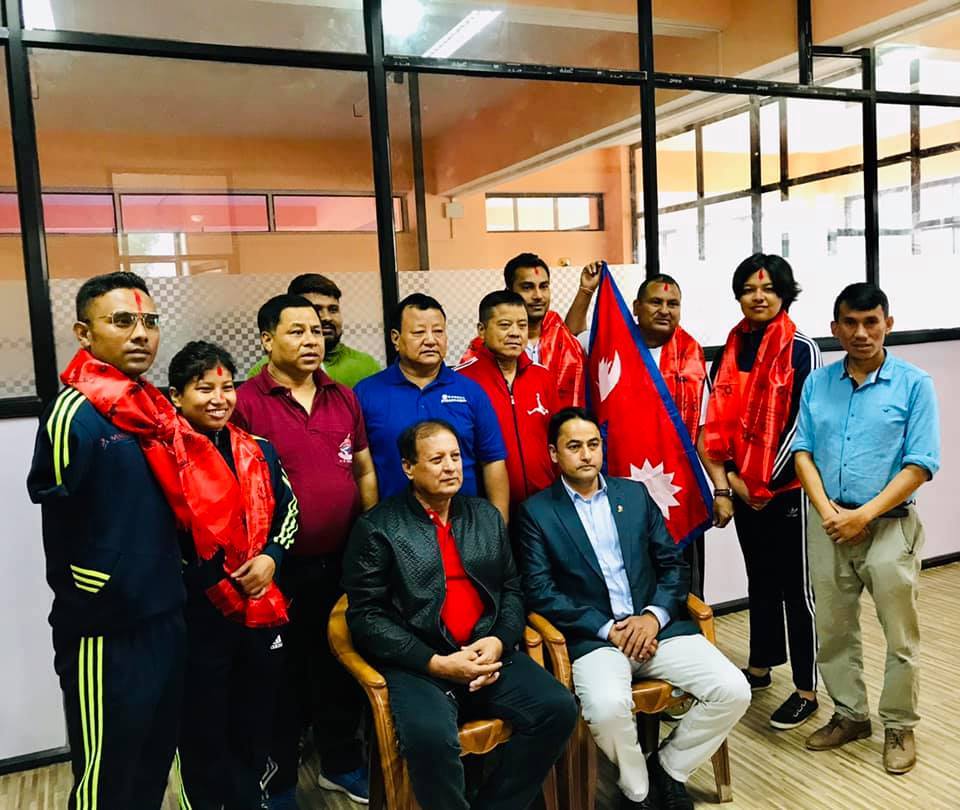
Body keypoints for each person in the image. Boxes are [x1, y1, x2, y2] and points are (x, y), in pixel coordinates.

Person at [516, 408, 750, 810]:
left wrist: (653, 617)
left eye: (593, 444)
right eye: (574, 446)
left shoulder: (634, 495)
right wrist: (608, 628)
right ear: (554, 453)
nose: (586, 454)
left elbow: (673, 565)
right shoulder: (536, 512)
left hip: (656, 630)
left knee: (733, 690)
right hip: (595, 639)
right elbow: (540, 591)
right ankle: (637, 789)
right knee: (607, 707)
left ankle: (669, 767)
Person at [342, 420, 578, 810]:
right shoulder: (378, 528)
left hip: (487, 652)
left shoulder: (485, 516)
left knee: (557, 708)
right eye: (437, 459)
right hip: (422, 664)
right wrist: (434, 662)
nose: (451, 466)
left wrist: (498, 640)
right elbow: (366, 617)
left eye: (455, 456)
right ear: (408, 467)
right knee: (430, 739)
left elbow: (512, 589)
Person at [27, 272, 186, 809]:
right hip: (107, 629)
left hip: (166, 612)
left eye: (149, 321)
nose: (141, 333)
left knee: (153, 759)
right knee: (107, 775)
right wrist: (102, 588)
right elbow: (57, 507)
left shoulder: (153, 408)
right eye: (122, 321)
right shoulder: (74, 411)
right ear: (84, 333)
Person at [234, 294, 378, 807]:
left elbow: (363, 469)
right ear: (267, 340)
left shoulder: (343, 397)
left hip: (340, 561)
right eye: (296, 331)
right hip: (277, 567)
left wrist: (369, 540)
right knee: (279, 679)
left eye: (315, 331)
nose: (311, 340)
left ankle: (341, 765)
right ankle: (279, 783)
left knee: (337, 665)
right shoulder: (245, 402)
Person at [794, 283, 940, 775]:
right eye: (850, 323)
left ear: (887, 325)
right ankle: (850, 715)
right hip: (829, 524)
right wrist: (830, 513)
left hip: (890, 525)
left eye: (871, 322)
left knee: (899, 634)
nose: (861, 333)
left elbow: (920, 464)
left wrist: (864, 515)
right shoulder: (818, 384)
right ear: (835, 329)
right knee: (834, 628)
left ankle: (899, 724)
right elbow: (802, 452)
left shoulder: (914, 384)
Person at [169, 341, 298, 810]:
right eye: (204, 388)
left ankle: (249, 799)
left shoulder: (259, 450)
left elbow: (289, 509)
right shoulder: (164, 456)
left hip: (261, 606)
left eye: (226, 387)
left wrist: (272, 558)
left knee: (254, 722)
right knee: (202, 727)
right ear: (176, 396)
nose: (219, 398)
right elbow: (165, 535)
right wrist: (215, 581)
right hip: (198, 614)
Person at [698, 253, 821, 732]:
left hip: (788, 489)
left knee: (798, 590)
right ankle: (760, 665)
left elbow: (804, 426)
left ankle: (807, 690)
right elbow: (717, 422)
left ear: (784, 294)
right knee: (761, 581)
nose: (759, 296)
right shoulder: (731, 349)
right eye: (749, 289)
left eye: (768, 289)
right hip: (744, 488)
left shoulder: (801, 349)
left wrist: (760, 482)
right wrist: (732, 483)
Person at [567, 265, 717, 598]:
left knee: (685, 586)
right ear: (636, 307)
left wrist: (720, 490)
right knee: (632, 578)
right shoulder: (611, 341)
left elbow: (702, 431)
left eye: (673, 304)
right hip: (622, 484)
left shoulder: (690, 354)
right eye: (655, 302)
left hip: (678, 488)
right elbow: (570, 338)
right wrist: (587, 291)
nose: (664, 310)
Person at [355, 293, 510, 522]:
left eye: (438, 331)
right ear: (396, 338)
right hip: (394, 526)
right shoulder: (366, 393)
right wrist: (372, 525)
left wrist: (499, 526)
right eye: (419, 332)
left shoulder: (470, 391)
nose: (430, 340)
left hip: (464, 525)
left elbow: (493, 461)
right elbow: (361, 469)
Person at [455, 290, 558, 513]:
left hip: (545, 505)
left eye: (522, 325)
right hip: (486, 509)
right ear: (482, 330)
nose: (515, 333)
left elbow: (556, 438)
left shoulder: (543, 377)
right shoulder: (461, 381)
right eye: (504, 325)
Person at [460, 253, 586, 408]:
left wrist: (586, 290)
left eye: (543, 286)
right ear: (509, 291)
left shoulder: (560, 335)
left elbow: (577, 336)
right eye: (527, 287)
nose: (538, 296)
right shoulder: (482, 349)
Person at [247, 273, 381, 387]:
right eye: (316, 309)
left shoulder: (366, 366)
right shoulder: (265, 371)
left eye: (333, 309)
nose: (327, 317)